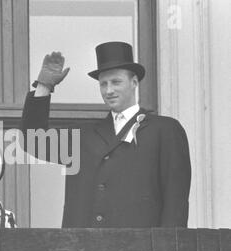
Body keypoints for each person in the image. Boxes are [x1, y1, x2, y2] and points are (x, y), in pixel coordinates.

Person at [21, 41, 191, 228]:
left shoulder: (165, 130)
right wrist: (44, 86)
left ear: (134, 82)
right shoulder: (84, 135)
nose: (109, 90)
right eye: (103, 84)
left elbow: (176, 202)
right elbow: (34, 141)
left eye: (116, 82)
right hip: (85, 250)